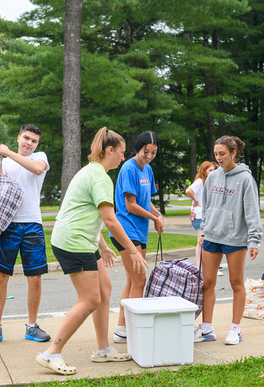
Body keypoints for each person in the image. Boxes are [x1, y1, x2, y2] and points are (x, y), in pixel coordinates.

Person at [35, 127, 147, 375]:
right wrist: (132, 250)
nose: (122, 157)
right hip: (74, 242)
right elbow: (110, 220)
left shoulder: (93, 172)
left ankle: (103, 349)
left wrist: (104, 247)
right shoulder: (100, 178)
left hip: (81, 239)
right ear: (110, 150)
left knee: (105, 289)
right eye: (121, 152)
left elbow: (86, 214)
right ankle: (51, 353)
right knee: (90, 299)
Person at [0, 124, 51, 346]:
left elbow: (37, 170)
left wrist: (8, 152)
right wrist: (0, 160)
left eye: (34, 140)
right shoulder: (6, 162)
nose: (29, 143)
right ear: (18, 137)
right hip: (8, 226)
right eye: (26, 138)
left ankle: (32, 327)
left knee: (35, 277)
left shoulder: (40, 157)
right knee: (1, 276)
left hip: (32, 225)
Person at [194, 135, 262, 346]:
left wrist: (254, 240)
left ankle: (235, 329)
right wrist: (204, 231)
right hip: (212, 235)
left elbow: (252, 211)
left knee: (236, 283)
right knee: (207, 283)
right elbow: (206, 206)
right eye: (216, 154)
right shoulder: (213, 177)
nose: (218, 158)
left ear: (234, 153)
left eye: (222, 154)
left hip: (235, 238)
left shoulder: (245, 179)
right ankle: (207, 329)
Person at [109, 131, 164, 344]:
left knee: (133, 280)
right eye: (145, 151)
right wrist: (154, 218)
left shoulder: (147, 169)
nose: (149, 156)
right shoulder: (129, 168)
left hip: (139, 231)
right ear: (137, 148)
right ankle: (133, 330)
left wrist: (157, 215)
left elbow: (144, 200)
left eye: (153, 152)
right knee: (140, 279)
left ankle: (122, 329)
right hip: (125, 229)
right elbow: (131, 205)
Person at [185, 161, 217, 267]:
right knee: (201, 241)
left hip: (204, 216)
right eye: (210, 170)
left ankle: (205, 264)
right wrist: (195, 200)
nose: (213, 172)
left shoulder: (208, 182)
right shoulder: (199, 181)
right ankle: (199, 266)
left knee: (205, 240)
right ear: (204, 171)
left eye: (214, 170)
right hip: (198, 217)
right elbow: (188, 190)